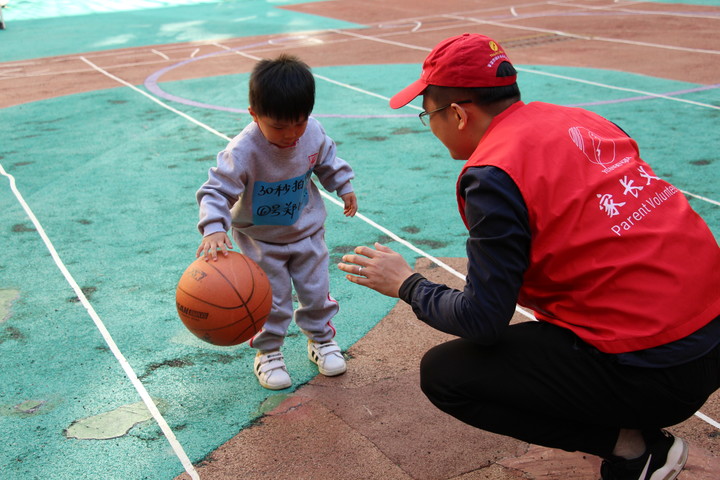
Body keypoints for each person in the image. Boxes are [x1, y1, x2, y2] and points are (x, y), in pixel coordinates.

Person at [338, 33, 720, 480]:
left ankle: (634, 449)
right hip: (711, 334)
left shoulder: (493, 175)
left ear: (458, 114)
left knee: (446, 375)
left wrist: (408, 285)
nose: (431, 126)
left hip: (661, 372)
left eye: (428, 115)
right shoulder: (585, 120)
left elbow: (482, 320)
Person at [197, 54, 358, 390]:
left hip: (307, 233)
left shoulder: (312, 132)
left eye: (299, 123)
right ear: (254, 115)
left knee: (316, 294)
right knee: (270, 302)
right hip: (261, 241)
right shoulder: (242, 151)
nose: (291, 134)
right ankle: (268, 352)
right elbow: (216, 191)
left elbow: (327, 159)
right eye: (280, 127)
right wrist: (213, 228)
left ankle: (321, 340)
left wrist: (343, 185)